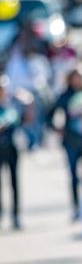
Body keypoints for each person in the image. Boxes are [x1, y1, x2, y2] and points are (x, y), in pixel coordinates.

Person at [47, 64, 82, 221]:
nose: (79, 80)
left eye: (81, 77)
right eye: (76, 77)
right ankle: (76, 207)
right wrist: (58, 128)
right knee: (73, 175)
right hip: (72, 141)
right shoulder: (66, 96)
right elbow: (50, 114)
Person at [0, 75, 26, 230]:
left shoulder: (13, 104)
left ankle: (16, 215)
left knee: (14, 182)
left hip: (12, 146)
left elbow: (25, 118)